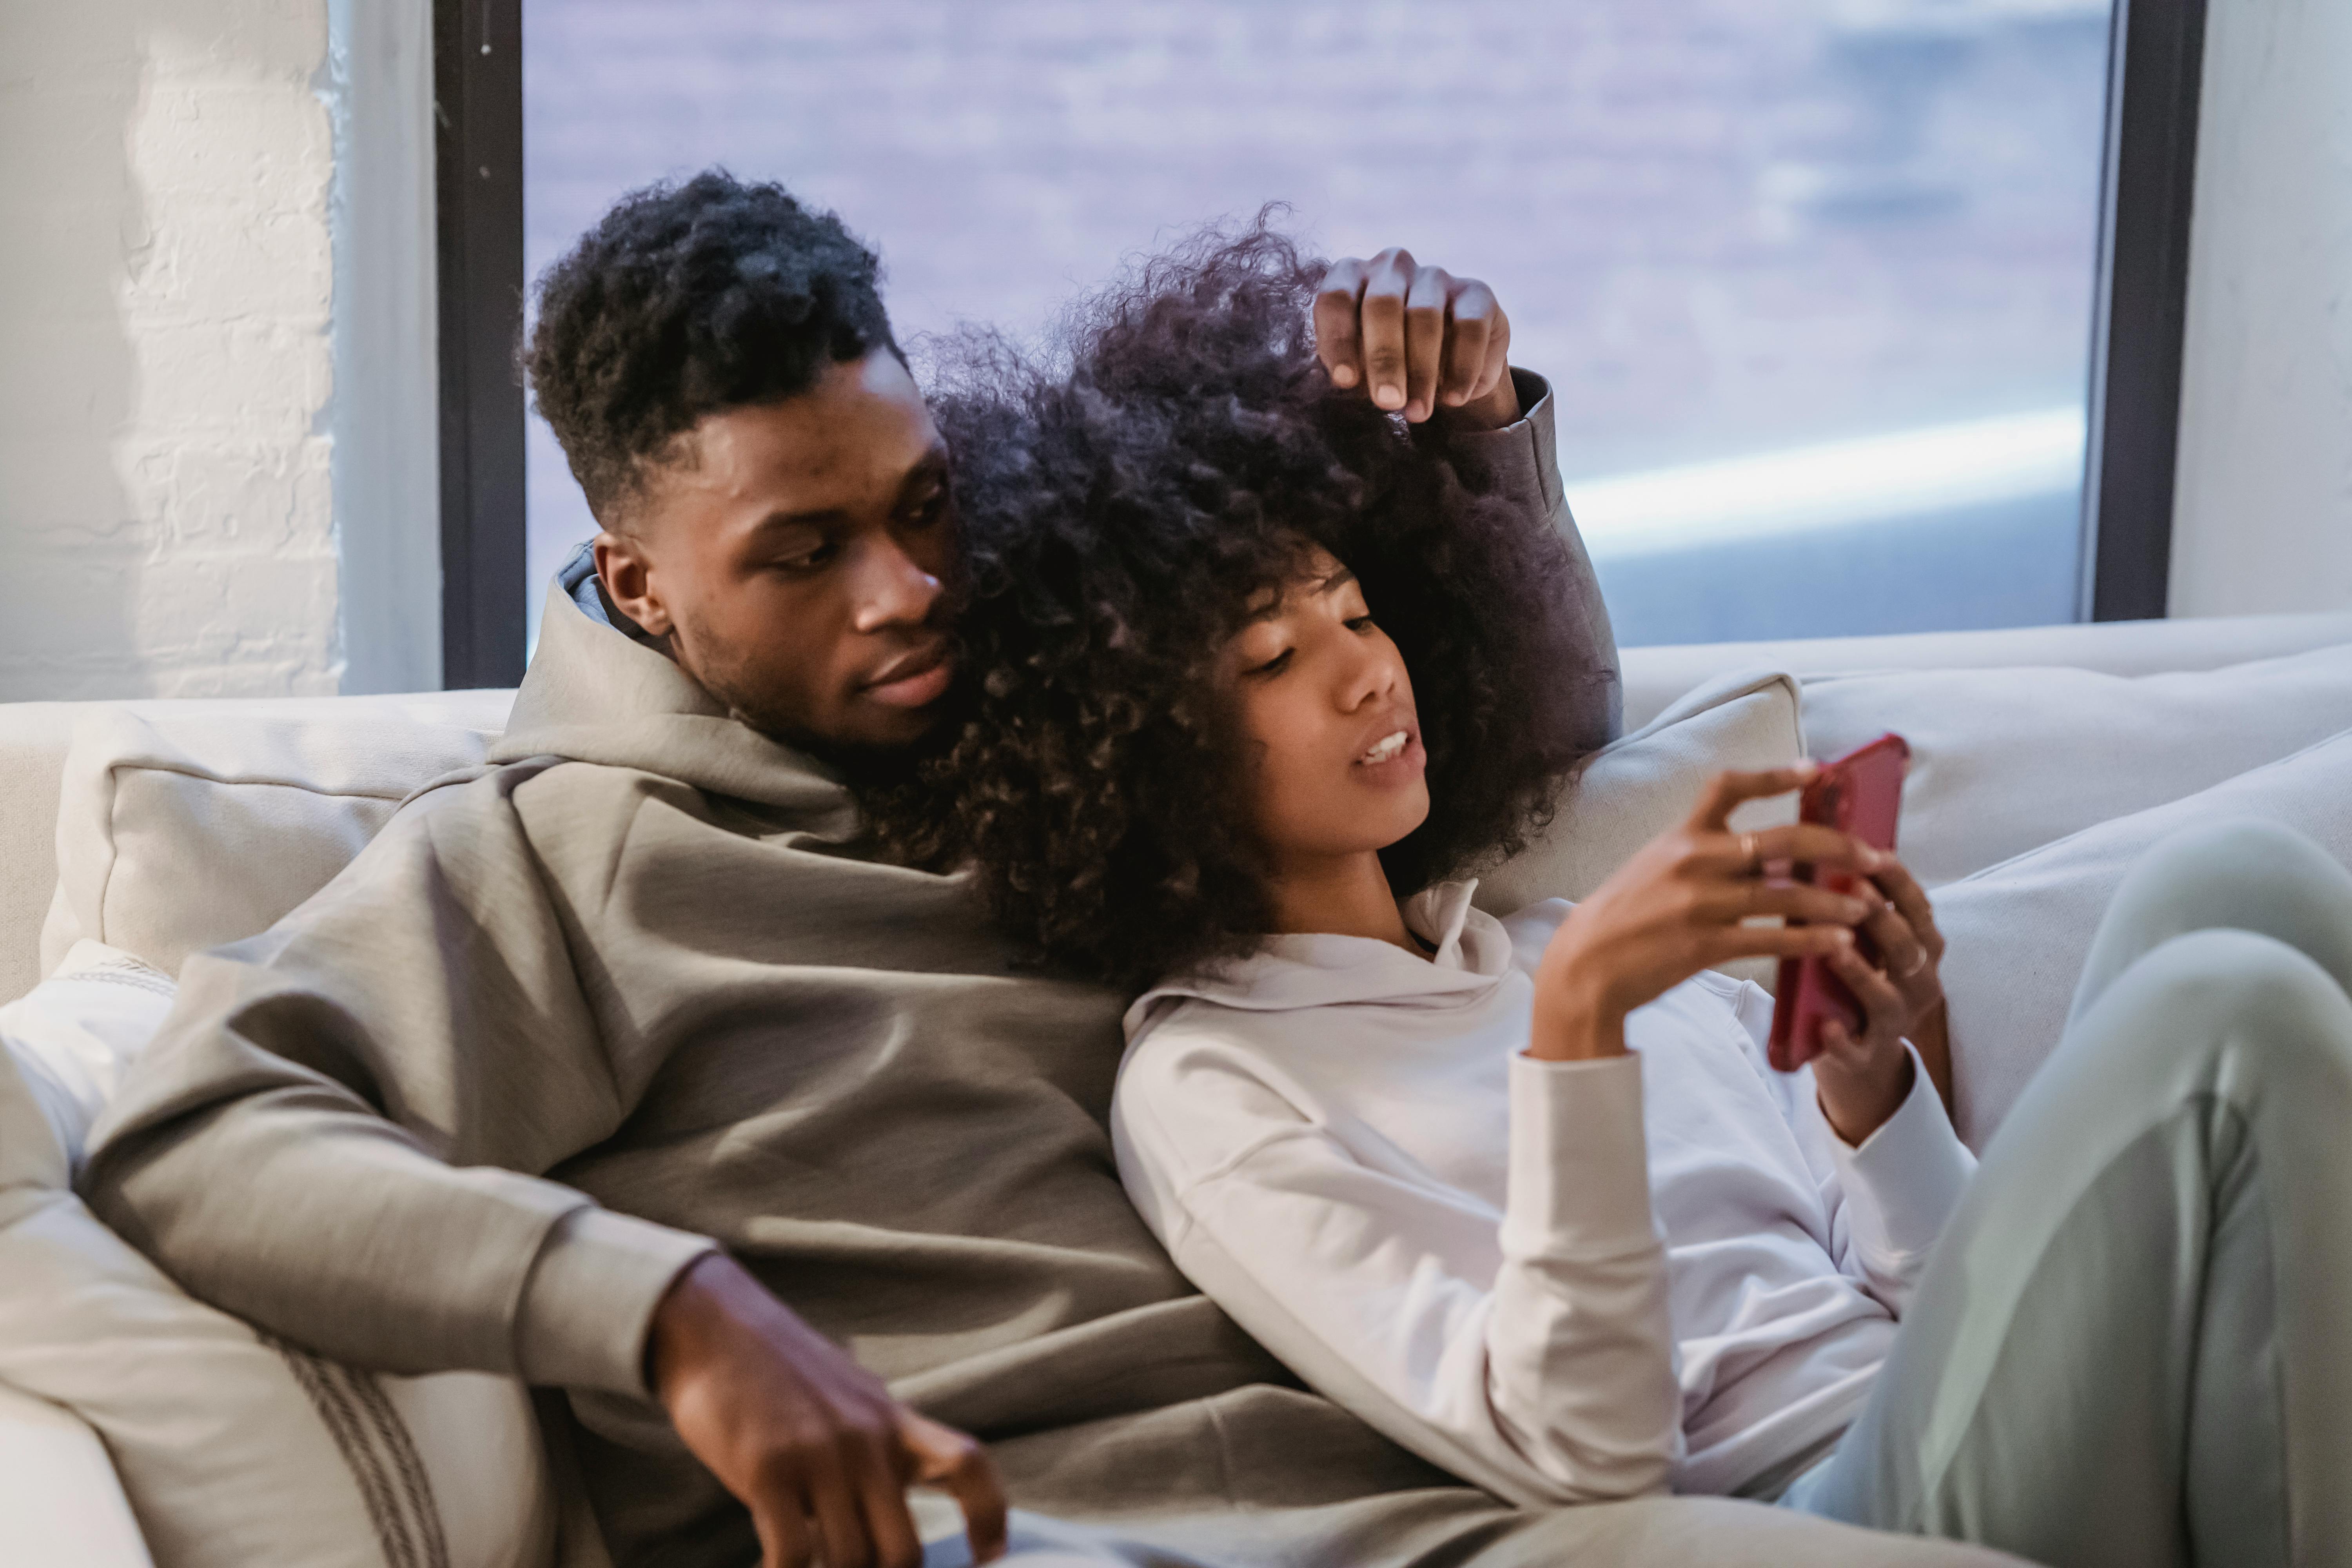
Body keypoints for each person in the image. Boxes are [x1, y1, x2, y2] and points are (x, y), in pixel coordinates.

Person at [78, 174, 1999, 1568]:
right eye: (802, 552)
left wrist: (1466, 423)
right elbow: (192, 1136)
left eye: (922, 504)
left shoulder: (1044, 708)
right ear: (642, 576)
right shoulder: (548, 865)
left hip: (1457, 1495)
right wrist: (668, 1310)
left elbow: (1492, 749)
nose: (909, 593)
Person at [891, 227, 2352, 1568]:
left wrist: (1869, 1088)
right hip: (1807, 1512)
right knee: (2226, 1008)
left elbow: (1914, 1289)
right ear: (1134, 750)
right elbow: (1581, 1461)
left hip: (1936, 1409)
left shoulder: (1546, 940)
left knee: (2240, 885)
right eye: (1273, 660)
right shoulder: (1216, 1083)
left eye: (1358, 610)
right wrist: (1577, 1038)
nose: (1364, 669)